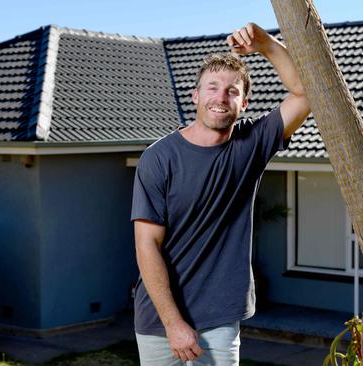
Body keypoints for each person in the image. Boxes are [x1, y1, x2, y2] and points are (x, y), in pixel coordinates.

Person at [130, 22, 311, 365]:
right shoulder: (158, 159)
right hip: (158, 320)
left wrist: (267, 44)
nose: (221, 97)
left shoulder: (251, 144)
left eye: (232, 90)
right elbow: (146, 245)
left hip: (219, 319)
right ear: (196, 96)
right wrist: (173, 323)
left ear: (244, 102)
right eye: (212, 87)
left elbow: (306, 93)